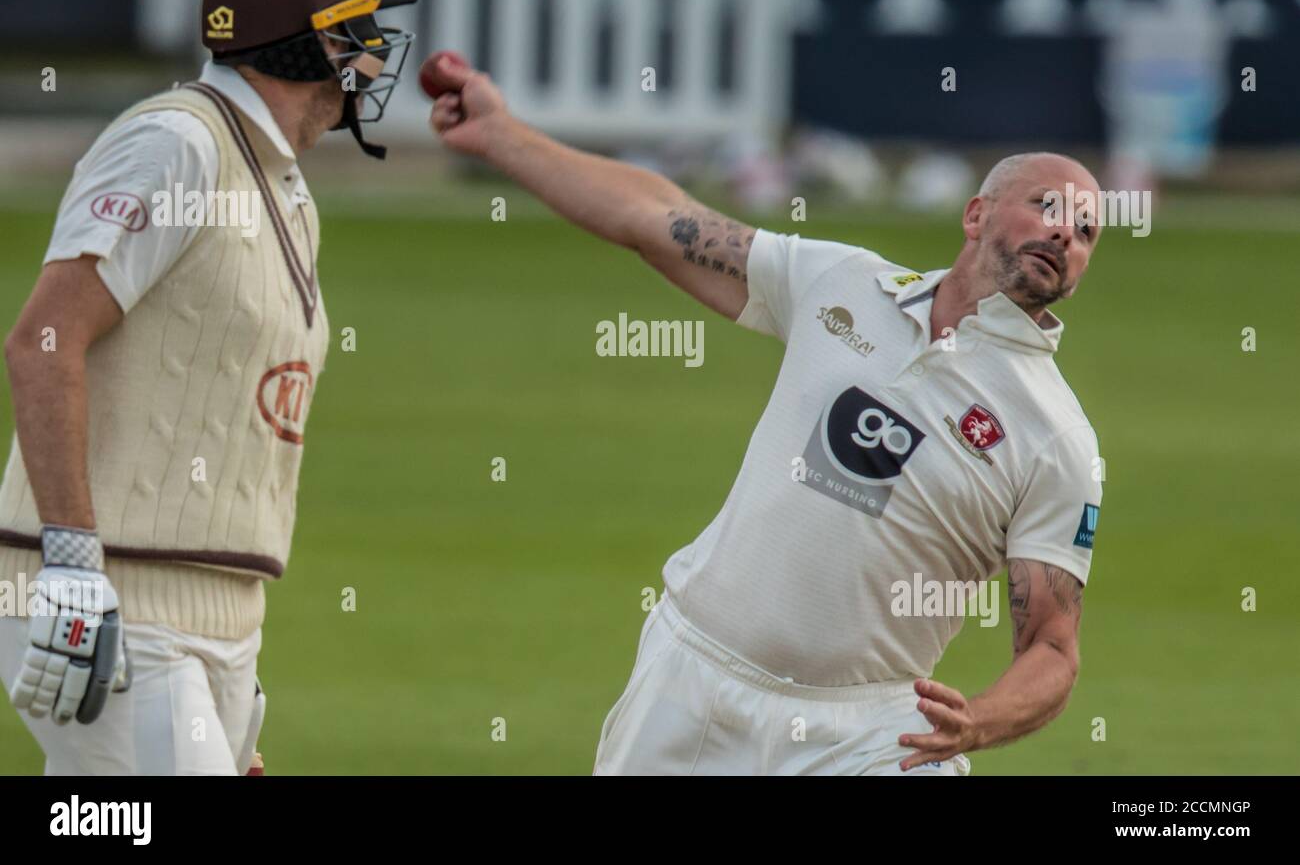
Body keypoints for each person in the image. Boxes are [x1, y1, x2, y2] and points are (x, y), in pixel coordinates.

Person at [425, 52, 1104, 775]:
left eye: (1089, 231)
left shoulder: (1056, 438)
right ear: (977, 213)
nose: (1067, 233)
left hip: (869, 732)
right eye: (1049, 207)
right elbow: (659, 218)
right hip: (692, 682)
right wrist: (501, 135)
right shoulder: (845, 283)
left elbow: (1052, 651)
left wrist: (977, 724)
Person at [0, 0, 416, 775]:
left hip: (219, 620)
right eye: (356, 34)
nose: (374, 59)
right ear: (301, 44)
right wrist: (71, 566)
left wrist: (234, 696)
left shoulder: (285, 189)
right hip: (113, 597)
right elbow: (43, 338)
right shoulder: (176, 146)